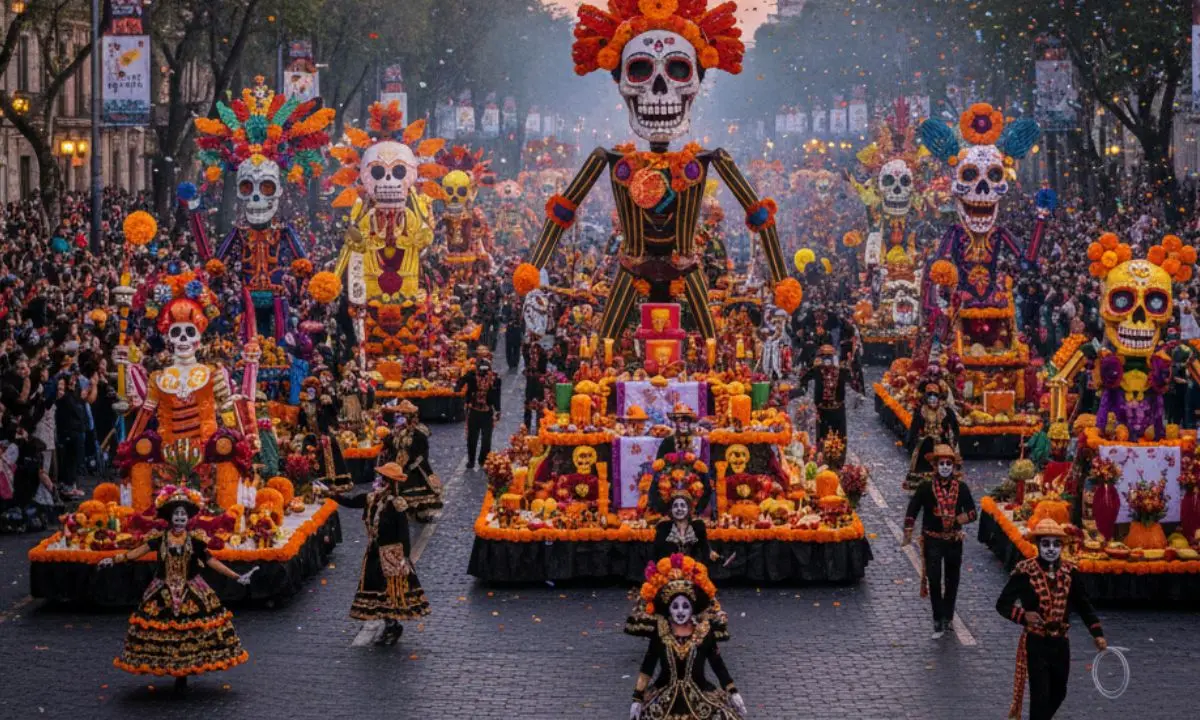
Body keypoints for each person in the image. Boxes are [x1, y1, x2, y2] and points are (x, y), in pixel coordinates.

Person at [101, 485, 254, 691]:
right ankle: (173, 669)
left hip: (192, 590)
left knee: (193, 630)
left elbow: (211, 562)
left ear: (188, 518)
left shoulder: (196, 541)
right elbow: (136, 552)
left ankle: (185, 671)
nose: (180, 518)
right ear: (170, 517)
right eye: (176, 514)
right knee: (162, 630)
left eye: (183, 514)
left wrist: (237, 577)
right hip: (162, 590)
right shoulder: (159, 538)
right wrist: (114, 559)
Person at [997, 519, 1107, 720]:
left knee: (1059, 692)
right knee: (1040, 696)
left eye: (1056, 544)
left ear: (1061, 547)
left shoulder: (1070, 573)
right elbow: (1002, 604)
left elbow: (1083, 605)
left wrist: (1096, 633)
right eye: (1045, 544)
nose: (1050, 549)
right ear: (1038, 545)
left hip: (1060, 643)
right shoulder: (1024, 572)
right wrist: (1023, 616)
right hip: (1036, 642)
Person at [627, 554, 745, 720]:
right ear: (668, 610)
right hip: (664, 698)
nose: (680, 611)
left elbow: (717, 665)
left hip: (701, 695)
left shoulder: (704, 632)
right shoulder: (660, 632)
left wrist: (733, 692)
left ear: (692, 609)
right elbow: (648, 666)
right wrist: (637, 698)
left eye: (685, 606)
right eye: (675, 606)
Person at [331, 463, 430, 645]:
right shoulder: (372, 499)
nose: (381, 483)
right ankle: (387, 622)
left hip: (391, 554)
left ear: (391, 483)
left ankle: (393, 625)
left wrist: (403, 558)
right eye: (381, 479)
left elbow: (403, 533)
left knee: (390, 590)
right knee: (375, 588)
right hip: (374, 552)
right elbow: (352, 501)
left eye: (385, 480)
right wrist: (331, 495)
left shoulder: (397, 504)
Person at [903, 444, 976, 640]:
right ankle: (937, 617)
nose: (945, 467)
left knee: (952, 581)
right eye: (942, 463)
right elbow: (913, 508)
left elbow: (972, 512)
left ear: (953, 466)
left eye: (948, 464)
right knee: (934, 579)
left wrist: (959, 520)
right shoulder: (926, 487)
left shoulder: (961, 488)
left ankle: (948, 618)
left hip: (953, 540)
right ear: (935, 466)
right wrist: (908, 529)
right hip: (932, 540)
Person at [382, 400, 443, 521]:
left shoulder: (420, 434)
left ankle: (420, 512)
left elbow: (422, 454)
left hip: (415, 466)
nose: (403, 420)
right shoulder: (400, 432)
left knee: (417, 489)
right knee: (400, 488)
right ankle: (406, 510)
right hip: (400, 464)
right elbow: (394, 445)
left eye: (405, 417)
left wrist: (411, 466)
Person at [904, 382, 960, 491]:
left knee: (943, 464)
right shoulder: (921, 411)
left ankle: (943, 485)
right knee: (923, 465)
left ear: (939, 398)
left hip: (942, 444)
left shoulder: (946, 411)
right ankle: (924, 488)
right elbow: (914, 429)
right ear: (926, 398)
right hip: (925, 444)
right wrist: (912, 443)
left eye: (935, 396)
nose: (932, 399)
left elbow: (955, 427)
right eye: (930, 396)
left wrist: (953, 442)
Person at [455, 352, 501, 469]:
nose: (483, 374)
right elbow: (462, 380)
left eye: (486, 371)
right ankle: (471, 460)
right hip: (474, 411)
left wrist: (498, 410)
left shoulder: (495, 379)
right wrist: (458, 388)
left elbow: (497, 396)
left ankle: (482, 459)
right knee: (472, 438)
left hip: (487, 412)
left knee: (486, 439)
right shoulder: (472, 375)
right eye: (481, 371)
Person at [797, 344, 850, 447]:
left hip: (829, 410)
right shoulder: (841, 371)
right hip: (828, 410)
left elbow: (803, 379)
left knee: (830, 438)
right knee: (830, 439)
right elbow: (803, 380)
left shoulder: (819, 370)